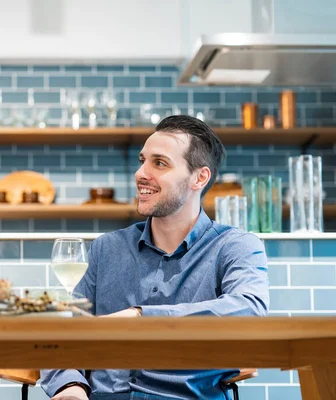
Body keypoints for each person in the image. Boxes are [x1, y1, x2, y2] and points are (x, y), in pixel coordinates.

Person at [41, 115, 269, 400]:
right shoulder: (106, 248)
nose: (141, 173)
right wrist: (68, 386)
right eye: (142, 160)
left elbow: (249, 311)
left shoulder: (235, 246)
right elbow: (65, 331)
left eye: (159, 163)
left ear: (199, 177)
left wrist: (141, 317)